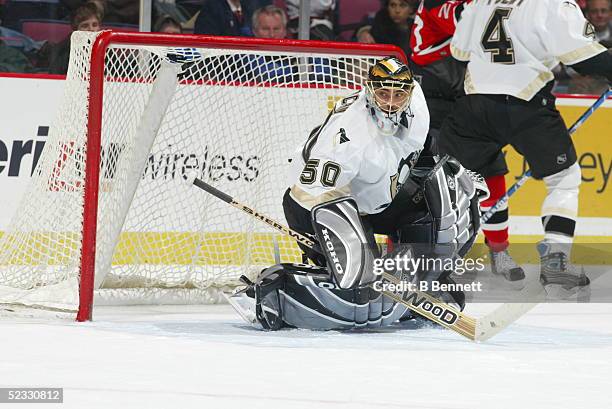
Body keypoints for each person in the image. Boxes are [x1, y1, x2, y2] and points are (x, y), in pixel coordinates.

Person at [227, 57, 488, 330]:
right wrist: (361, 259)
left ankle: (428, 285)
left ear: (409, 92)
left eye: (398, 94)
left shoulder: (418, 105)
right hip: (316, 206)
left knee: (449, 201)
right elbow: (315, 196)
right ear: (368, 90)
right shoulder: (346, 138)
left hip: (378, 198)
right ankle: (272, 289)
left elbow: (423, 152)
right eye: (382, 93)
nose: (389, 102)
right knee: (359, 297)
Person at [439, 0, 612, 298]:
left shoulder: (482, 1)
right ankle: (556, 258)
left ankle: (431, 256)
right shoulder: (553, 3)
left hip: (473, 103)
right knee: (564, 178)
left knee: (462, 179)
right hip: (526, 101)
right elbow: (584, 58)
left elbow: (458, 52)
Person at [409, 0, 526, 287]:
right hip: (434, 93)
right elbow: (472, 25)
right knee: (428, 180)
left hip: (467, 93)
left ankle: (499, 250)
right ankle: (408, 253)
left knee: (492, 170)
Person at [49, 2, 102, 75]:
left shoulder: (107, 49)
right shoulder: (62, 51)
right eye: (85, 26)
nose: (91, 29)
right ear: (75, 30)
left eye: (94, 25)